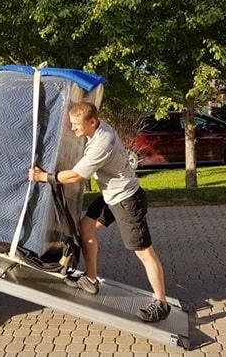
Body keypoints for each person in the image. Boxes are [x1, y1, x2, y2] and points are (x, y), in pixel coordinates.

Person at [29, 101, 170, 322]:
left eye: (77, 125)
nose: (73, 129)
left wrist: (43, 177)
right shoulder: (98, 128)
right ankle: (91, 280)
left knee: (143, 252)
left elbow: (76, 176)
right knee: (85, 228)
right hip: (111, 196)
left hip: (127, 200)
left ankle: (161, 303)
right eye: (72, 124)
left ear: (92, 122)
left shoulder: (101, 142)